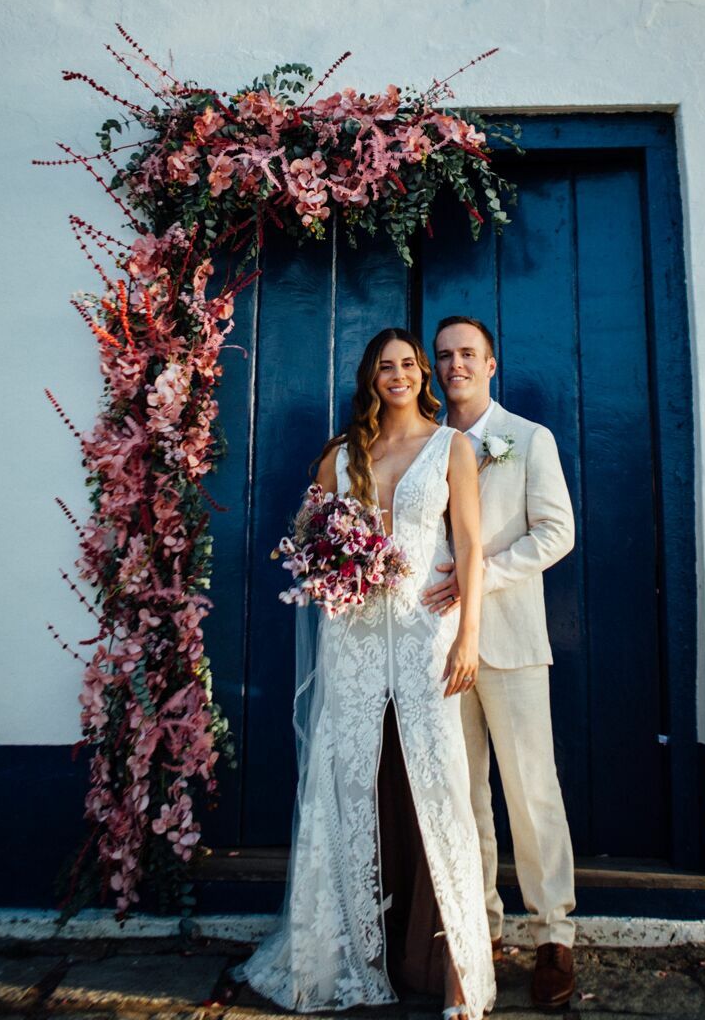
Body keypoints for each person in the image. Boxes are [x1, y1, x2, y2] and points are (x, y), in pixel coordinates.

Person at [238, 328, 496, 1020]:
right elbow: (308, 537)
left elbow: (469, 544)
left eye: (410, 364)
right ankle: (339, 954)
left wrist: (468, 632)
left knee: (441, 779)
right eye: (386, 367)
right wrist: (336, 567)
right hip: (350, 635)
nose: (400, 375)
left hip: (423, 633)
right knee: (342, 775)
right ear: (370, 378)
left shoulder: (452, 447)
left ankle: (463, 974)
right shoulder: (343, 454)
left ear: (424, 375)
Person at [423, 316, 577, 1009]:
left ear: (491, 365)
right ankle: (479, 926)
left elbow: (556, 532)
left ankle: (553, 933)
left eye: (467, 355)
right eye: (445, 356)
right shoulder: (427, 444)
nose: (455, 365)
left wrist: (479, 575)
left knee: (530, 789)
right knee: (463, 795)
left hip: (510, 641)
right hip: (437, 645)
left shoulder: (528, 440)